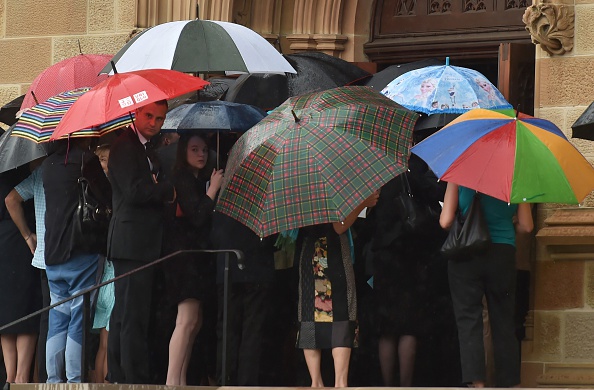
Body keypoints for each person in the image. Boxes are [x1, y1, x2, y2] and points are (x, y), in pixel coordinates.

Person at [106, 100, 176, 384]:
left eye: (159, 118)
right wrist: (165, 189)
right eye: (149, 116)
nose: (154, 123)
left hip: (141, 241)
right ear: (136, 112)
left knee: (128, 312)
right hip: (131, 240)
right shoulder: (125, 146)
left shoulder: (147, 148)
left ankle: (122, 373)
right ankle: (130, 376)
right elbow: (135, 191)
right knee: (130, 314)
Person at [440, 183, 533, 388]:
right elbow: (527, 226)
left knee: (468, 321)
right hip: (502, 253)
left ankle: (478, 383)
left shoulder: (458, 173)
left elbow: (445, 221)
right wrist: (506, 225)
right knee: (504, 320)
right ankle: (510, 383)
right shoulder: (513, 177)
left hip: (466, 253)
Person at [367, 153, 448, 386]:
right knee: (409, 326)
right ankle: (406, 384)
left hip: (384, 254)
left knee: (387, 328)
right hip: (412, 254)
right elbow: (437, 194)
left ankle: (386, 384)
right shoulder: (415, 165)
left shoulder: (373, 166)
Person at [41, 138, 110, 383]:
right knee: (78, 318)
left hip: (53, 253)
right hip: (80, 250)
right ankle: (74, 380)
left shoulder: (47, 165)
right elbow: (106, 195)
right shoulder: (85, 161)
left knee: (58, 318)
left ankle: (53, 379)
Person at [296, 191, 380, 388]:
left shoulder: (300, 183)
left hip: (310, 255)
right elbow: (338, 227)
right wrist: (362, 203)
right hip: (332, 256)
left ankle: (316, 382)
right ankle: (340, 383)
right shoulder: (330, 182)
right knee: (341, 315)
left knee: (310, 316)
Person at [162, 134, 223, 385]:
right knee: (186, 319)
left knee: (194, 321)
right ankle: (172, 380)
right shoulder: (182, 178)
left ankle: (181, 378)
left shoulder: (196, 180)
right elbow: (197, 216)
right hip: (183, 258)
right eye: (194, 149)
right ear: (183, 153)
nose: (201, 154)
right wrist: (213, 190)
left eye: (205, 150)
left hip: (195, 258)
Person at [210, 212, 276, 386]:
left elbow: (214, 234)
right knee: (252, 332)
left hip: (227, 264)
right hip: (258, 267)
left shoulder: (225, 198)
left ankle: (225, 381)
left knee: (226, 330)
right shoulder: (264, 196)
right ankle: (247, 384)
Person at [5, 159, 49, 383]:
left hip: (5, 247)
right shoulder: (31, 173)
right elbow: (13, 200)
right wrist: (26, 235)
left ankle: (11, 378)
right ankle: (21, 377)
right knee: (28, 312)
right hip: (26, 245)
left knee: (8, 314)